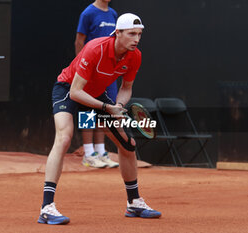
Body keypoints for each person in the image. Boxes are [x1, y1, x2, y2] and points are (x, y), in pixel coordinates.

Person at [38, 13, 161, 225]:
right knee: (64, 138)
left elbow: (126, 88)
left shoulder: (135, 56)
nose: (136, 39)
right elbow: (76, 92)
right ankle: (46, 208)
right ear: (118, 33)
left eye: (139, 34)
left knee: (128, 144)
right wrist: (107, 107)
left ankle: (134, 203)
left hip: (97, 95)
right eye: (131, 34)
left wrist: (119, 107)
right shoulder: (96, 48)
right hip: (68, 90)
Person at [75, 0, 119, 168]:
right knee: (87, 111)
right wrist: (82, 68)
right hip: (91, 71)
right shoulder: (88, 13)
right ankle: (88, 153)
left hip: (109, 72)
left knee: (105, 109)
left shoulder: (113, 14)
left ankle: (101, 152)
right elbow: (79, 41)